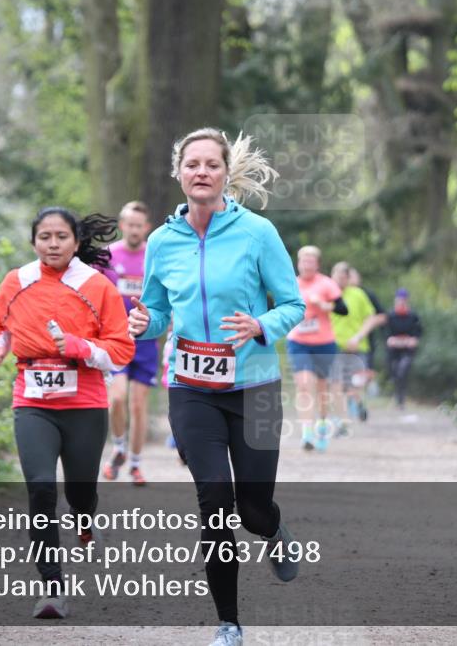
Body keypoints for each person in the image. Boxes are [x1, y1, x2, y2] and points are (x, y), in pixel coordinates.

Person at [127, 128, 305, 646]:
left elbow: (291, 304)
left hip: (256, 387)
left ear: (227, 173)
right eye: (192, 164)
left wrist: (261, 326)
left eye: (211, 164)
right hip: (190, 386)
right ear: (178, 173)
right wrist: (147, 324)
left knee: (251, 509)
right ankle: (228, 623)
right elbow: (159, 311)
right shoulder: (162, 242)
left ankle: (273, 530)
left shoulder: (257, 233)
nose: (201, 172)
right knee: (214, 499)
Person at [0, 207, 135, 619]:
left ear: (76, 241)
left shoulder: (96, 285)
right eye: (44, 237)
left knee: (80, 493)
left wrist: (79, 347)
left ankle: (85, 518)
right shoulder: (16, 281)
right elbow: (1, 329)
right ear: (33, 241)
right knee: (42, 489)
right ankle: (52, 588)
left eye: (61, 237)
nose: (53, 244)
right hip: (32, 402)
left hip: (84, 403)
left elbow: (121, 350)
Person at [96, 201, 160, 486]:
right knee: (117, 398)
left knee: (138, 404)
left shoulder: (155, 256)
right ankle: (119, 448)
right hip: (115, 337)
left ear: (146, 228)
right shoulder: (107, 256)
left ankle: (135, 464)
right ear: (122, 225)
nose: (134, 229)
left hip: (146, 340)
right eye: (129, 224)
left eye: (139, 225)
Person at [286, 245, 346, 452]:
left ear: (317, 264)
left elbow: (342, 309)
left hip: (324, 343)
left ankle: (321, 424)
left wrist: (324, 305)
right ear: (298, 263)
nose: (307, 265)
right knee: (303, 384)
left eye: (311, 262)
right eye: (304, 261)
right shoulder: (292, 284)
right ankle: (306, 433)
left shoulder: (326, 284)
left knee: (322, 389)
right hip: (298, 341)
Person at [329, 262, 385, 429]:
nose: (339, 281)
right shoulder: (326, 294)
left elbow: (371, 318)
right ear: (332, 276)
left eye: (343, 278)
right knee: (337, 385)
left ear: (348, 279)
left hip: (357, 348)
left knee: (353, 387)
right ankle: (342, 420)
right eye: (336, 277)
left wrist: (358, 337)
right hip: (333, 347)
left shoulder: (358, 294)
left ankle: (358, 404)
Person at [348, 267, 385, 399]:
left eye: (353, 275)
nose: (350, 279)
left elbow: (381, 316)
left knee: (359, 376)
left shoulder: (367, 295)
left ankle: (358, 399)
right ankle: (353, 402)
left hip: (365, 342)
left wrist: (365, 328)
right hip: (342, 342)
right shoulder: (335, 294)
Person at [385, 287, 424, 410]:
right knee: (395, 371)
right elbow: (386, 333)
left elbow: (418, 332)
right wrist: (391, 340)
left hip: (407, 350)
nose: (401, 302)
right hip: (394, 351)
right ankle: (398, 397)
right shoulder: (391, 316)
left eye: (403, 300)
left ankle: (401, 399)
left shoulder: (413, 316)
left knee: (403, 370)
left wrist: (413, 340)